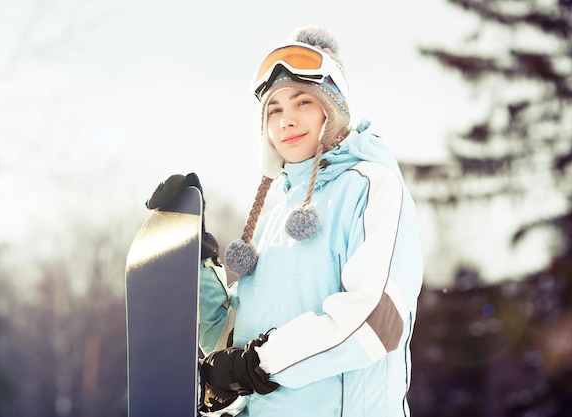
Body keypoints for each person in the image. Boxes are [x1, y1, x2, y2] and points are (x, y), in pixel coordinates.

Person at [147, 26, 423, 417]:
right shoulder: (274, 220)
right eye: (274, 109)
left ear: (334, 108)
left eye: (302, 103)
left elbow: (376, 322)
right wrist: (195, 256)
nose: (286, 121)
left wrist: (254, 364)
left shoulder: (371, 187)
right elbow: (230, 346)